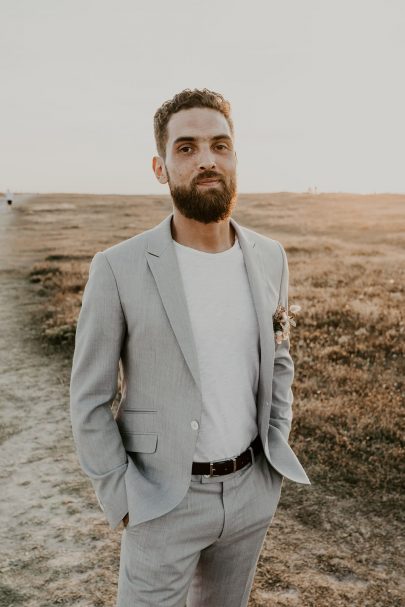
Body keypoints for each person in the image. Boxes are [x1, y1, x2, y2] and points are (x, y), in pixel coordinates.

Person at [70, 88, 310, 607]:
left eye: (220, 145)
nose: (206, 159)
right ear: (160, 167)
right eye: (186, 148)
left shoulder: (270, 257)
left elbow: (281, 359)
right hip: (160, 503)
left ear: (235, 158)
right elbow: (88, 399)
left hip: (251, 493)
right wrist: (122, 495)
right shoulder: (117, 268)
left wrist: (273, 448)